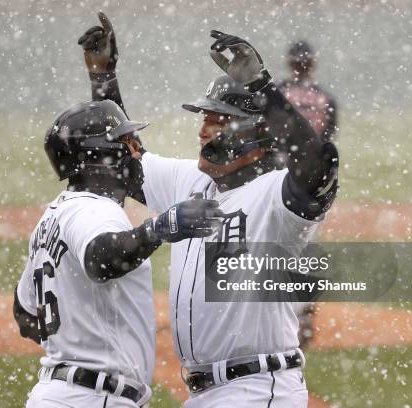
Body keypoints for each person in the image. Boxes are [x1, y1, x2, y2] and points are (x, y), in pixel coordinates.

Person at [79, 14, 338, 407]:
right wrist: (104, 79)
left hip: (257, 389)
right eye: (205, 118)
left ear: (253, 132)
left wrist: (264, 89)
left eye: (218, 121)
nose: (203, 130)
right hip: (207, 393)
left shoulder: (275, 197)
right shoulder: (191, 183)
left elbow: (320, 166)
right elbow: (127, 164)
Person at [13, 98, 223, 407]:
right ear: (101, 154)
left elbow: (24, 312)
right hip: (93, 397)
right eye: (128, 143)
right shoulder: (95, 210)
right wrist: (161, 228)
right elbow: (101, 260)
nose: (137, 152)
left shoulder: (53, 217)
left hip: (59, 393)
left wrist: (76, 341)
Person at [278, 40, 339, 346]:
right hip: (311, 184)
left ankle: (281, 316)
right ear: (311, 64)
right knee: (306, 247)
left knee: (272, 245)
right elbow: (327, 145)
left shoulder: (277, 94)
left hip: (279, 180)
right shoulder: (325, 99)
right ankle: (304, 314)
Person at [278, 40, 338, 143]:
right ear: (313, 63)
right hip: (313, 153)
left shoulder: (278, 92)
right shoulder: (325, 98)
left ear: (289, 63)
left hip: (284, 152)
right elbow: (328, 131)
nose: (301, 66)